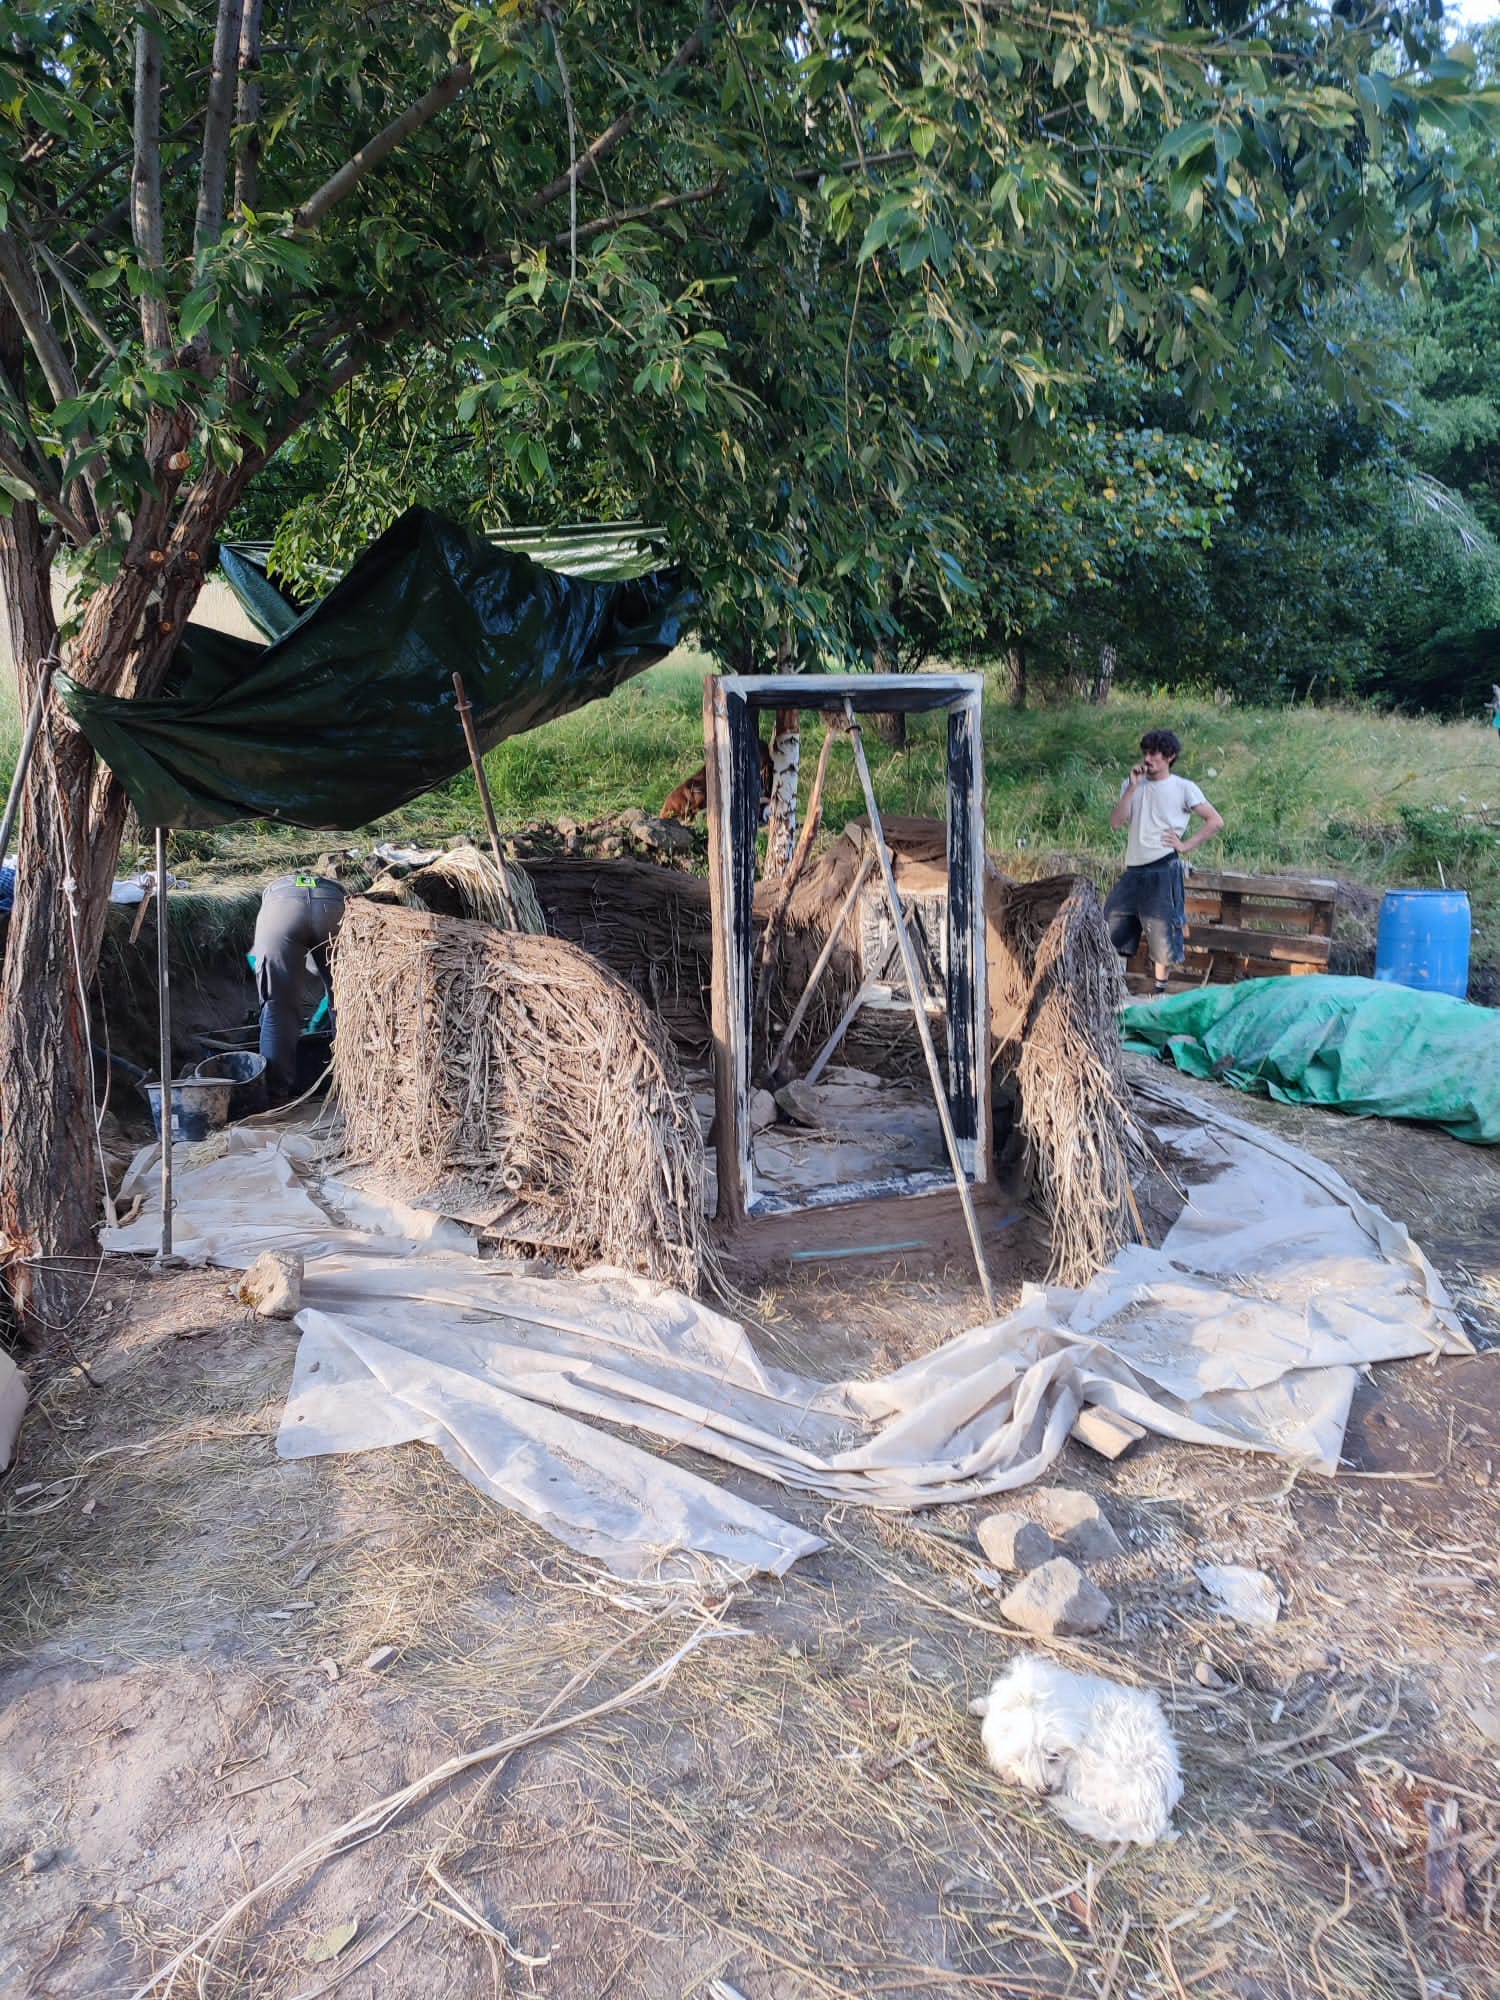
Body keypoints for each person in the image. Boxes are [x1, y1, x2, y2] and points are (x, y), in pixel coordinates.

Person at [1104, 729, 1224, 994]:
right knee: (1112, 923)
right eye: (1145, 753)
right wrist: (1132, 788)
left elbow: (1215, 820)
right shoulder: (1133, 785)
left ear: (1169, 756)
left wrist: (1185, 845)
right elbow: (1116, 823)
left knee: (1162, 932)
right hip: (1134, 867)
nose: (1148, 759)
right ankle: (1112, 989)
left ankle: (1159, 993)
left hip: (1163, 866)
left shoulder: (1183, 787)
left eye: (1154, 754)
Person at [250, 861, 347, 1102]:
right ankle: (350, 1087)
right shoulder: (335, 887)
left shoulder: (271, 894)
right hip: (334, 902)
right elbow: (325, 980)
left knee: (278, 1010)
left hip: (280, 908)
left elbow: (263, 966)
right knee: (346, 1002)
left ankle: (276, 1097)